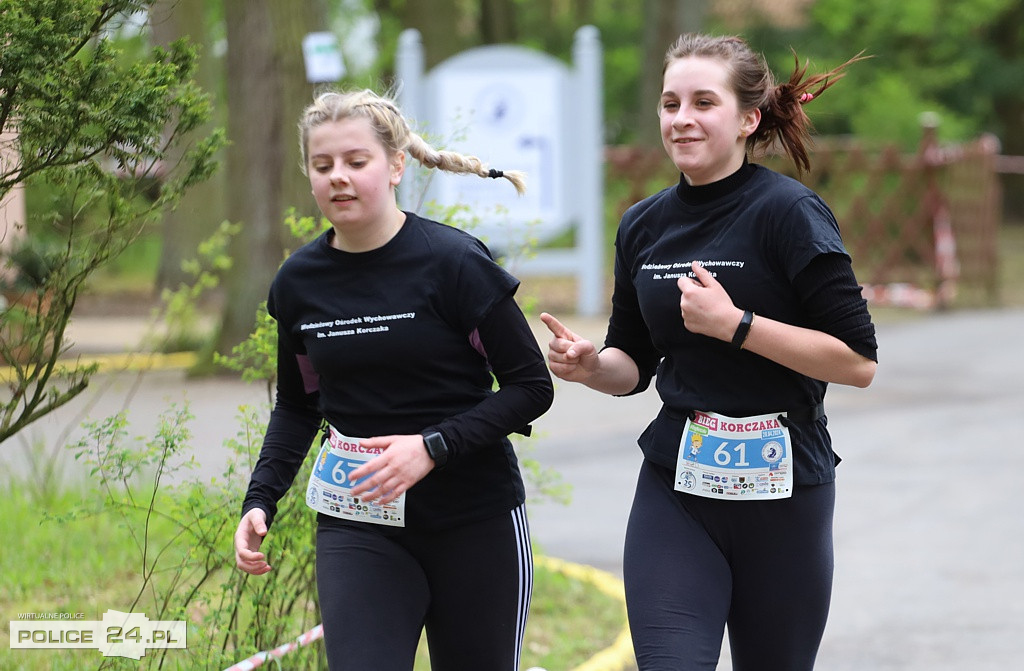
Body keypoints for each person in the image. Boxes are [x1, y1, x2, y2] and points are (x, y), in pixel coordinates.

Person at [541, 33, 878, 670]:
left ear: (748, 118)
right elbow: (632, 365)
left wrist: (738, 325)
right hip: (678, 488)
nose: (682, 119)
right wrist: (591, 368)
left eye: (703, 102)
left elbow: (857, 361)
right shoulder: (643, 223)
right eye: (670, 104)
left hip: (785, 493)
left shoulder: (791, 213)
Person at [233, 88, 554, 671]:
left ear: (397, 165)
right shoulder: (298, 283)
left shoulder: (454, 263)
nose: (339, 178)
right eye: (323, 165)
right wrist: (261, 500)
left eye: (357, 162)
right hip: (358, 525)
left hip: (472, 520)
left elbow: (532, 389)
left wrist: (433, 447)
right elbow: (299, 407)